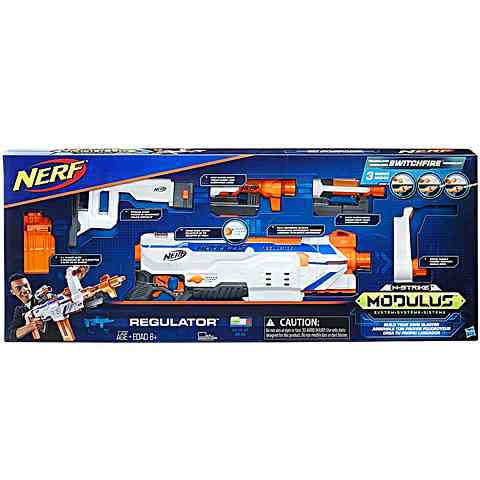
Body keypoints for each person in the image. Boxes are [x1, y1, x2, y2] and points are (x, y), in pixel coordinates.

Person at [8, 273, 63, 341]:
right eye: (18, 288)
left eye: (26, 285)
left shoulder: (44, 299)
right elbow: (12, 335)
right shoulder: (19, 310)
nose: (24, 290)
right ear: (13, 292)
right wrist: (31, 326)